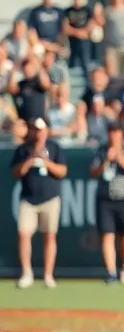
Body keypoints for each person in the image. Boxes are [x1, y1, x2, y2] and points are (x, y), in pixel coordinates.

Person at [11, 118, 67, 288]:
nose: (39, 133)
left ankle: (48, 275)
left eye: (41, 129)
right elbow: (16, 172)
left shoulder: (54, 148)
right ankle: (27, 274)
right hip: (28, 199)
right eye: (36, 129)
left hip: (50, 198)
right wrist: (31, 158)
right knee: (24, 234)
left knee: (49, 236)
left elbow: (62, 171)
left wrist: (45, 160)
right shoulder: (23, 149)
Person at [90, 121, 124, 284]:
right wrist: (106, 161)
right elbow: (93, 172)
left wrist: (119, 158)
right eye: (111, 131)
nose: (113, 135)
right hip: (105, 198)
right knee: (107, 234)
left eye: (116, 131)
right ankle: (111, 272)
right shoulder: (102, 149)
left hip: (123, 197)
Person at [62, 0, 95, 72]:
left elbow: (90, 27)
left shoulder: (87, 10)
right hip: (72, 43)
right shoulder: (68, 11)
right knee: (71, 65)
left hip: (85, 43)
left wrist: (78, 32)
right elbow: (66, 28)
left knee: (86, 65)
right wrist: (79, 33)